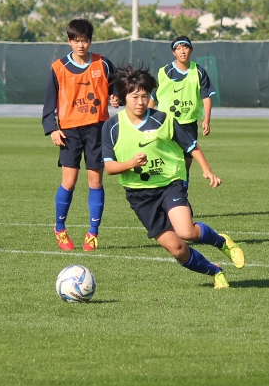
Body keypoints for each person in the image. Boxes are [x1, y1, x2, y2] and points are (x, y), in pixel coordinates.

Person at [103, 65, 244, 289]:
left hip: (170, 184)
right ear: (122, 97)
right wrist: (131, 163)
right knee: (177, 249)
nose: (140, 101)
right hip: (140, 196)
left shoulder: (163, 119)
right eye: (134, 96)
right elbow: (109, 168)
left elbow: (192, 146)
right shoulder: (112, 127)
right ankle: (215, 271)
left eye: (145, 96)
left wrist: (206, 170)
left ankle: (222, 241)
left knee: (186, 231)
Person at [42, 18, 119, 252]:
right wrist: (52, 128)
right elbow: (49, 103)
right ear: (69, 41)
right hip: (70, 132)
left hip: (98, 129)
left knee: (95, 181)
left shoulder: (103, 64)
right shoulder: (58, 67)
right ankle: (60, 229)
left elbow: (116, 90)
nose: (80, 45)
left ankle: (93, 233)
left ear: (90, 41)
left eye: (84, 40)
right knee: (69, 181)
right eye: (76, 40)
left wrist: (117, 98)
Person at [148, 36, 215, 191]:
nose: (182, 51)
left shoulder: (198, 71)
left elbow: (206, 96)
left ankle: (181, 201)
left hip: (189, 123)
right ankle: (167, 198)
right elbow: (153, 97)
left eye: (185, 47)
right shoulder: (164, 72)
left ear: (190, 50)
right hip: (167, 124)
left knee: (186, 165)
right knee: (168, 163)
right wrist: (149, 120)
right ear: (173, 52)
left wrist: (207, 119)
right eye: (178, 48)